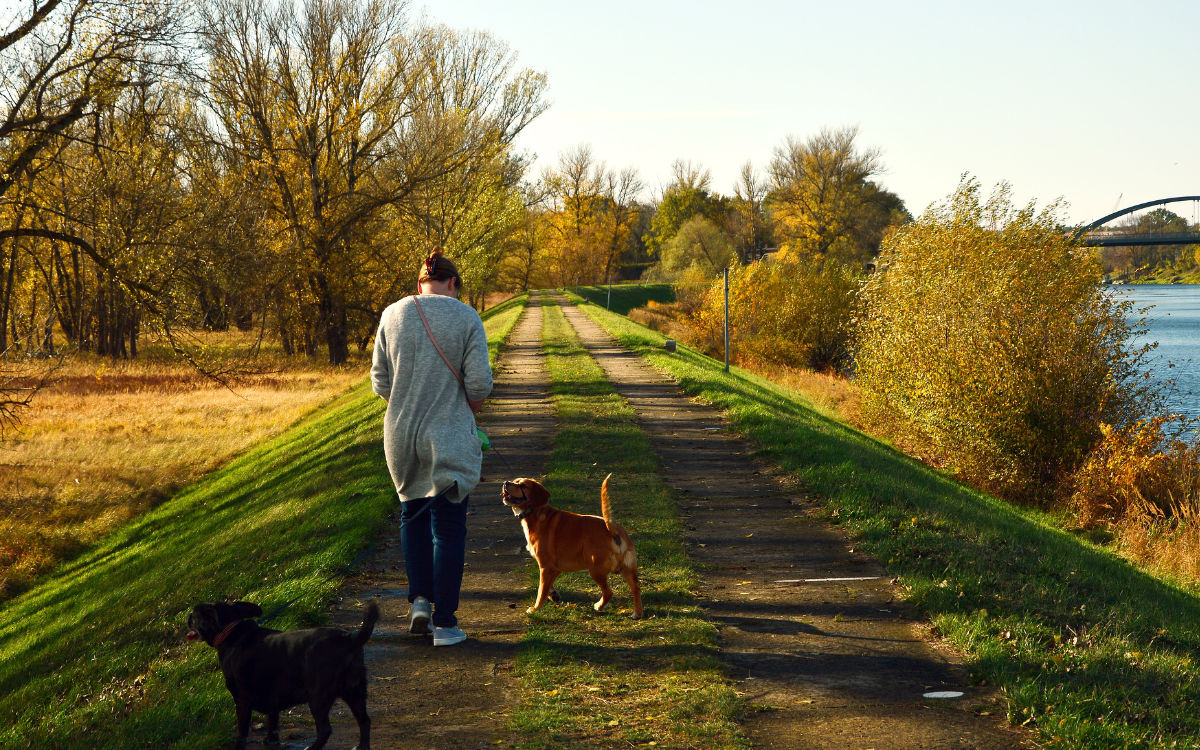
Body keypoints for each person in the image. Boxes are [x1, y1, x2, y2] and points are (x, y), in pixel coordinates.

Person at [370, 250, 492, 647]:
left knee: (413, 517)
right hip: (449, 436)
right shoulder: (467, 317)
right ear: (454, 283)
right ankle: (445, 624)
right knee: (450, 527)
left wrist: (409, 402)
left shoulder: (392, 315)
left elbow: (380, 384)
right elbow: (478, 386)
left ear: (418, 285)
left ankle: (419, 602)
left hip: (401, 435)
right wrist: (463, 406)